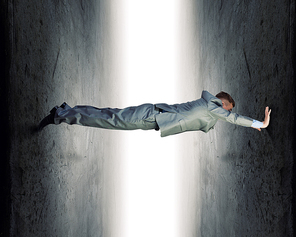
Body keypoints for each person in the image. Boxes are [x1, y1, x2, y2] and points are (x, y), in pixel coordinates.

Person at [38, 90, 271, 137]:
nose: (227, 112)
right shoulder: (214, 107)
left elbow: (218, 120)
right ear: (224, 102)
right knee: (108, 119)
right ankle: (60, 114)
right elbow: (234, 118)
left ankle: (66, 110)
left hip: (152, 117)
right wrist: (259, 123)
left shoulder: (210, 109)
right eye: (228, 107)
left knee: (109, 115)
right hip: (151, 116)